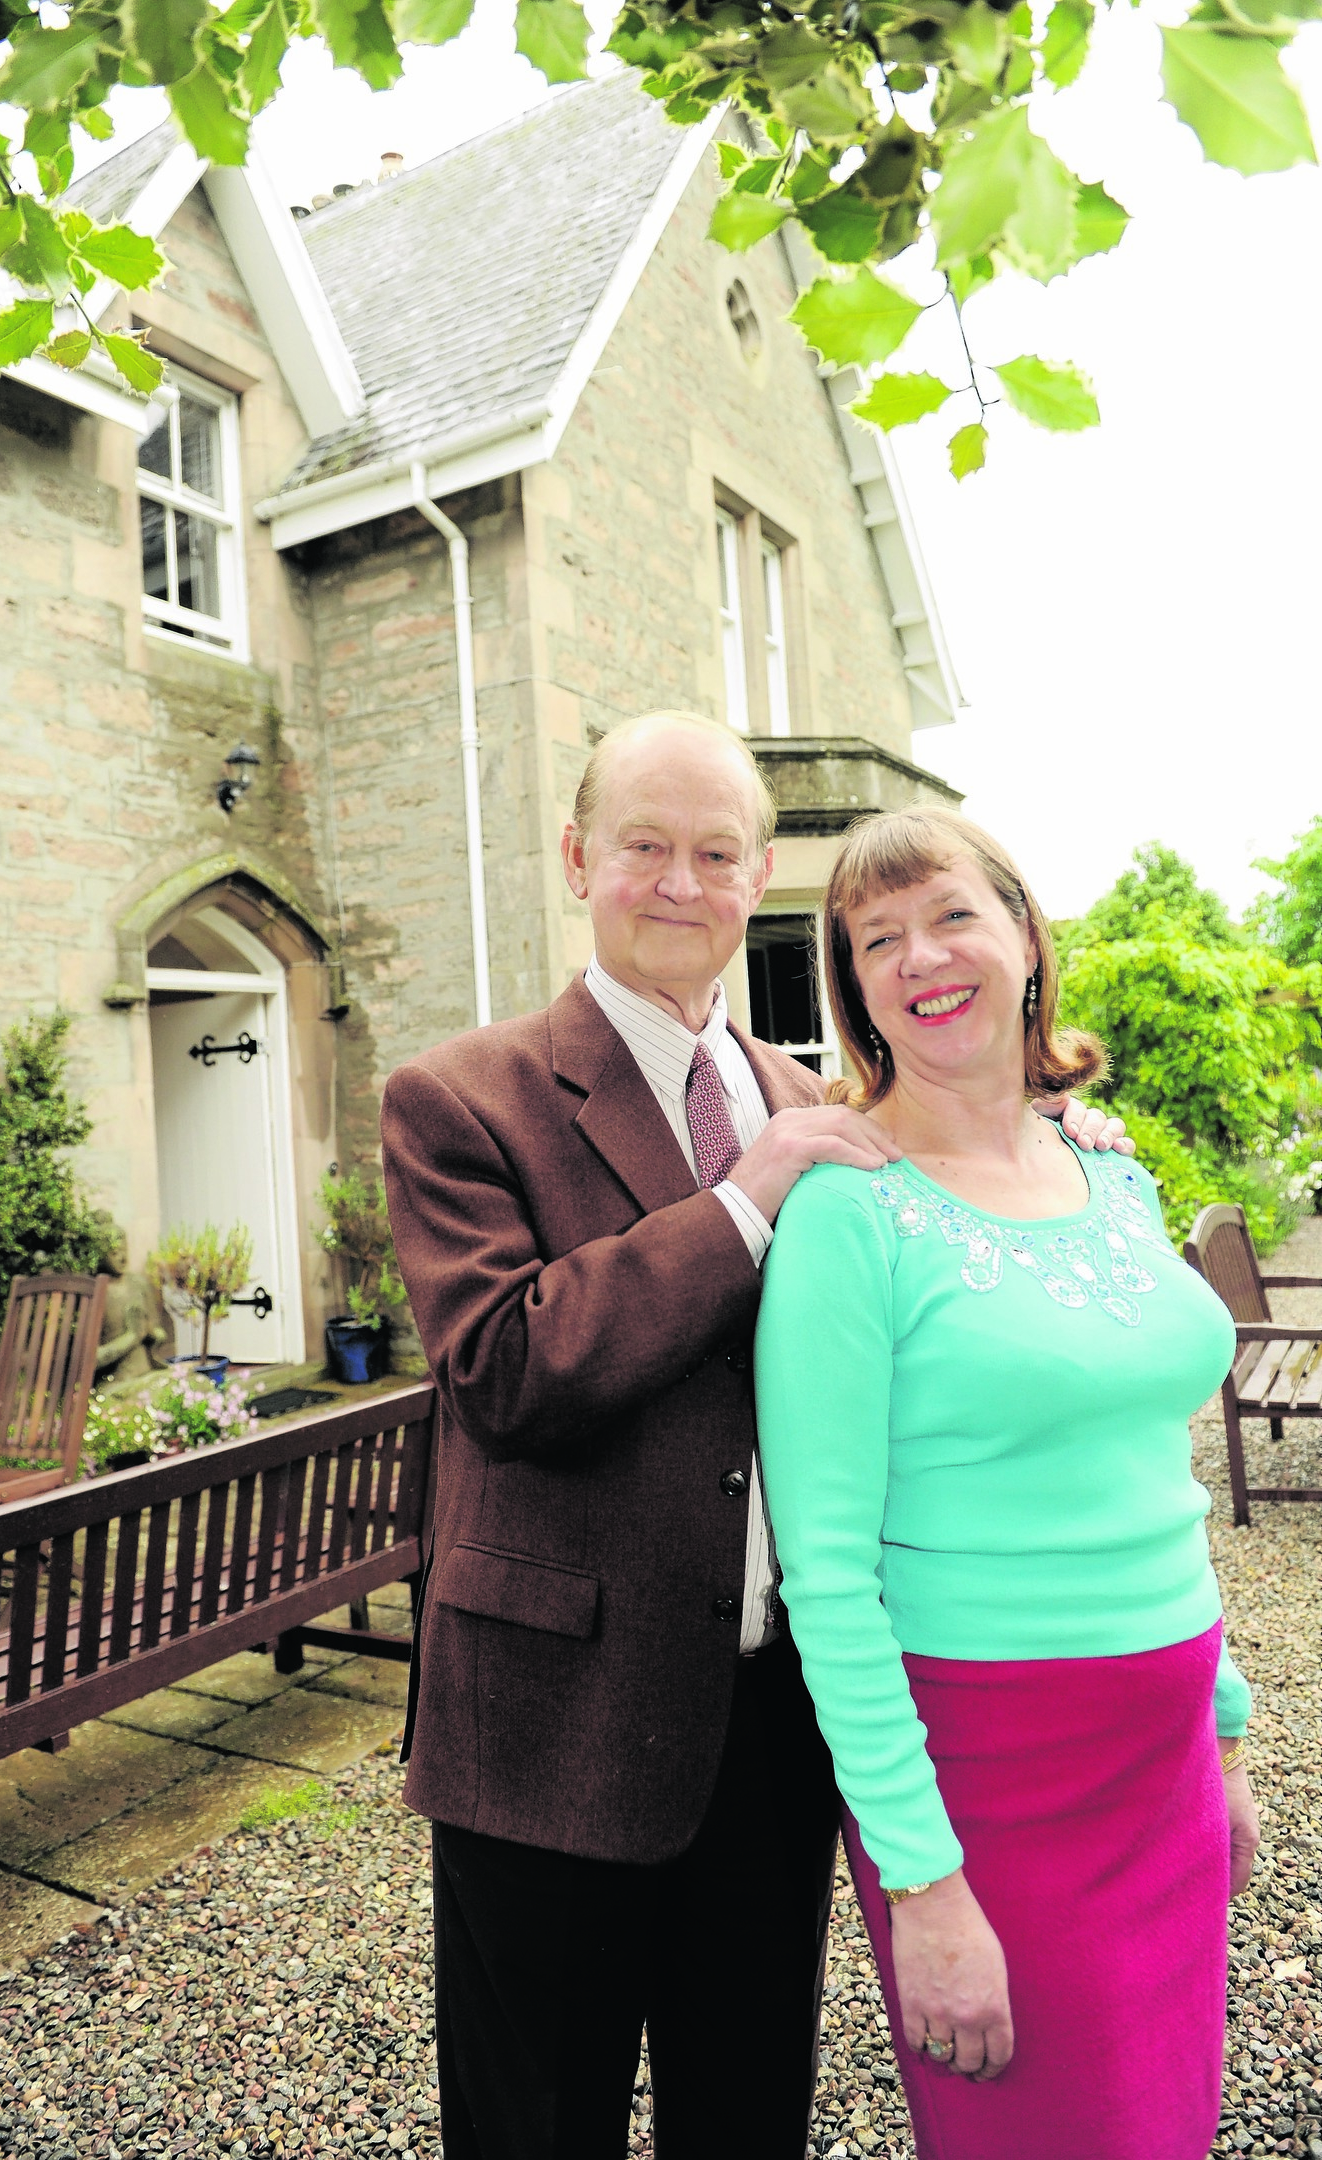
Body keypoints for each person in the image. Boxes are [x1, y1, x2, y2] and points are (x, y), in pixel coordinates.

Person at [380, 715, 1129, 2160]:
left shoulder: (817, 1106)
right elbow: (508, 1373)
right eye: (646, 846)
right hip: (545, 1734)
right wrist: (743, 1205)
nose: (679, 881)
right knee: (537, 2128)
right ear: (578, 855)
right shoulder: (461, 1098)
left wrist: (1052, 1150)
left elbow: (959, 1237)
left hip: (770, 1728)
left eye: (715, 853)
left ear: (757, 874)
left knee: (747, 2119)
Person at [755, 805, 1259, 2160]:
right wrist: (922, 1883)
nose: (923, 955)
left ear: (1028, 940)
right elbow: (830, 1577)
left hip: (1164, 1762)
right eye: (877, 938)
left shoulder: (1113, 1178)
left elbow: (1161, 1469)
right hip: (995, 1781)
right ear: (856, 991)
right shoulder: (849, 1218)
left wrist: (1219, 1732)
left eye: (952, 915)